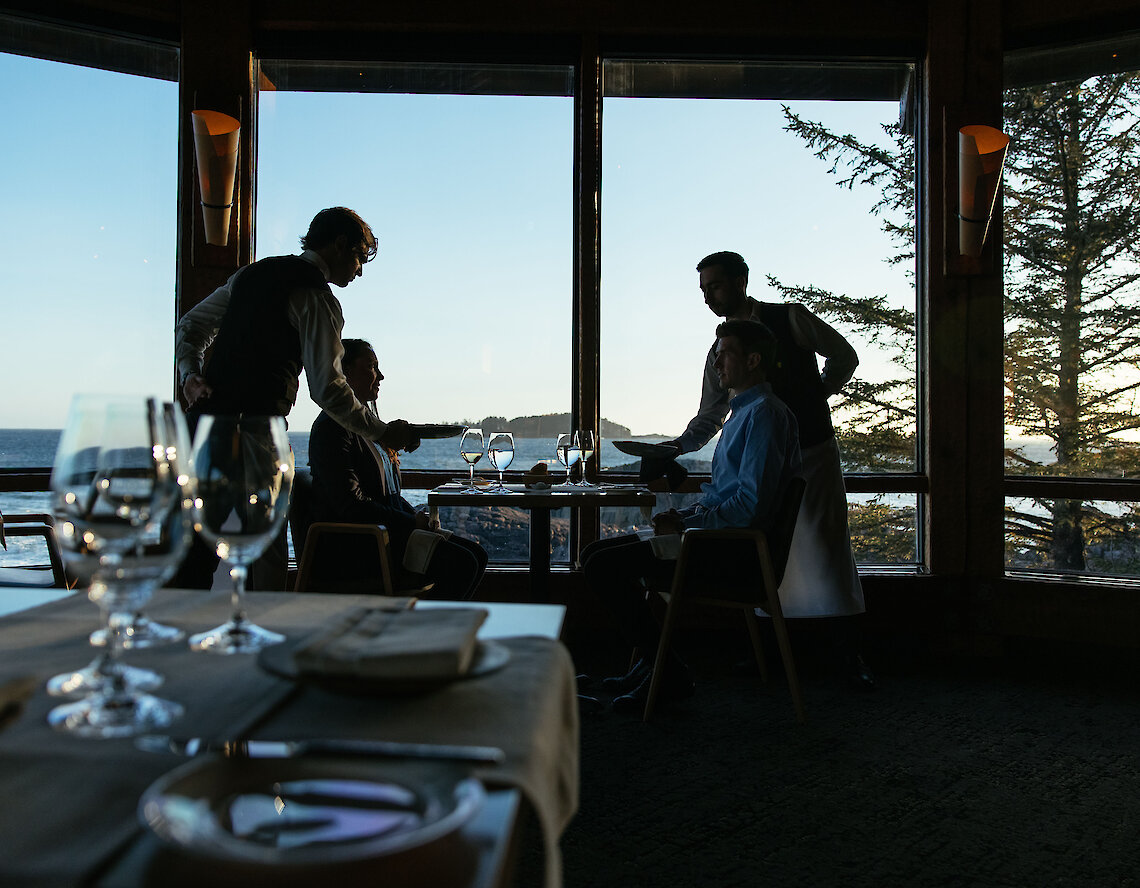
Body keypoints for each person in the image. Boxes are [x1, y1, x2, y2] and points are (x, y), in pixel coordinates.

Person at [173, 207, 414, 589]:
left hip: (202, 430)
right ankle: (264, 629)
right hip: (258, 432)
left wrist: (190, 375)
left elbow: (191, 325)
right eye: (359, 257)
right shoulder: (317, 299)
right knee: (266, 547)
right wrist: (381, 432)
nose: (360, 270)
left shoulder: (251, 274)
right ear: (338, 244)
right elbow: (329, 389)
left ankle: (187, 635)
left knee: (194, 550)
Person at [666, 250, 870, 684]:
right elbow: (710, 414)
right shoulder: (720, 350)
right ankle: (768, 655)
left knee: (829, 548)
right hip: (767, 460)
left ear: (742, 280)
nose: (707, 297)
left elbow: (845, 356)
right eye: (702, 290)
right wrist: (676, 448)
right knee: (767, 552)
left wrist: (817, 396)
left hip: (812, 451)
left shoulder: (791, 318)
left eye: (715, 286)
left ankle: (848, 658)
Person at [582, 319, 801, 713]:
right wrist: (685, 518)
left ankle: (667, 672)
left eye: (724, 356)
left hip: (730, 555)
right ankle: (656, 664)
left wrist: (685, 524)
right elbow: (728, 497)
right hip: (715, 541)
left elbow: (751, 506)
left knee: (603, 566)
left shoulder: (764, 416)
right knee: (595, 554)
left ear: (752, 360)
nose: (717, 366)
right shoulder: (743, 414)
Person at [307, 339, 487, 599]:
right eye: (371, 367)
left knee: (477, 555)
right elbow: (350, 505)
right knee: (463, 563)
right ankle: (425, 632)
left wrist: (414, 515)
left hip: (383, 534)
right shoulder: (332, 428)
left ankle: (425, 627)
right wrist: (410, 521)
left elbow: (384, 495)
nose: (380, 376)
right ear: (343, 372)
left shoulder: (366, 429)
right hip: (358, 547)